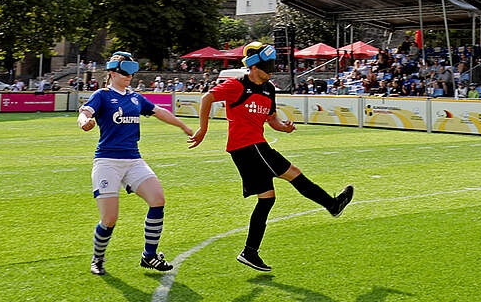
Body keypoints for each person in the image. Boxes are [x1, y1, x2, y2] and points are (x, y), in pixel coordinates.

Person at [188, 43, 353, 272]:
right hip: (246, 146)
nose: (271, 71)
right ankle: (332, 205)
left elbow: (272, 120)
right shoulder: (236, 85)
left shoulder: (269, 89)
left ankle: (249, 252)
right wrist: (203, 129)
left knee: (267, 199)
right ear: (254, 66)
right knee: (293, 173)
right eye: (267, 67)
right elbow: (207, 98)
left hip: (254, 146)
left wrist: (284, 128)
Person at [79, 52, 194, 276]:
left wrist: (183, 126)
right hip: (107, 162)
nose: (129, 76)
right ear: (112, 73)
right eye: (124, 71)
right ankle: (98, 258)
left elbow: (159, 112)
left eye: (131, 71)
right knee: (109, 219)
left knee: (158, 200)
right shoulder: (102, 95)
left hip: (133, 160)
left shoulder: (135, 97)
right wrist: (85, 122)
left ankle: (149, 256)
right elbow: (84, 112)